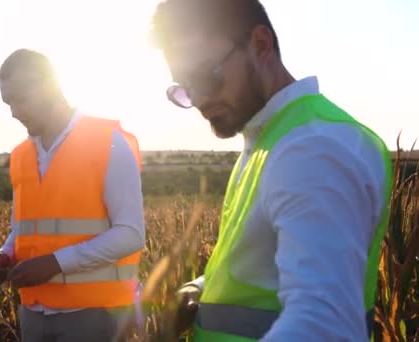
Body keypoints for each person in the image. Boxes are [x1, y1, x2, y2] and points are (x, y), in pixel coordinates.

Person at [149, 0, 393, 341]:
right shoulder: (270, 141)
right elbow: (264, 269)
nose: (201, 100)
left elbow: (324, 326)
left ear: (261, 45)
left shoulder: (313, 149)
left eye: (207, 76)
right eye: (186, 87)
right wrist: (200, 288)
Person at [0, 49, 145, 342]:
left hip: (94, 316)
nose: (14, 111)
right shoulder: (21, 156)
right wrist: (3, 256)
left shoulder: (108, 142)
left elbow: (130, 234)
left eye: (21, 99)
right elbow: (23, 229)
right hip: (34, 315)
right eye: (8, 102)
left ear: (50, 87)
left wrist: (54, 263)